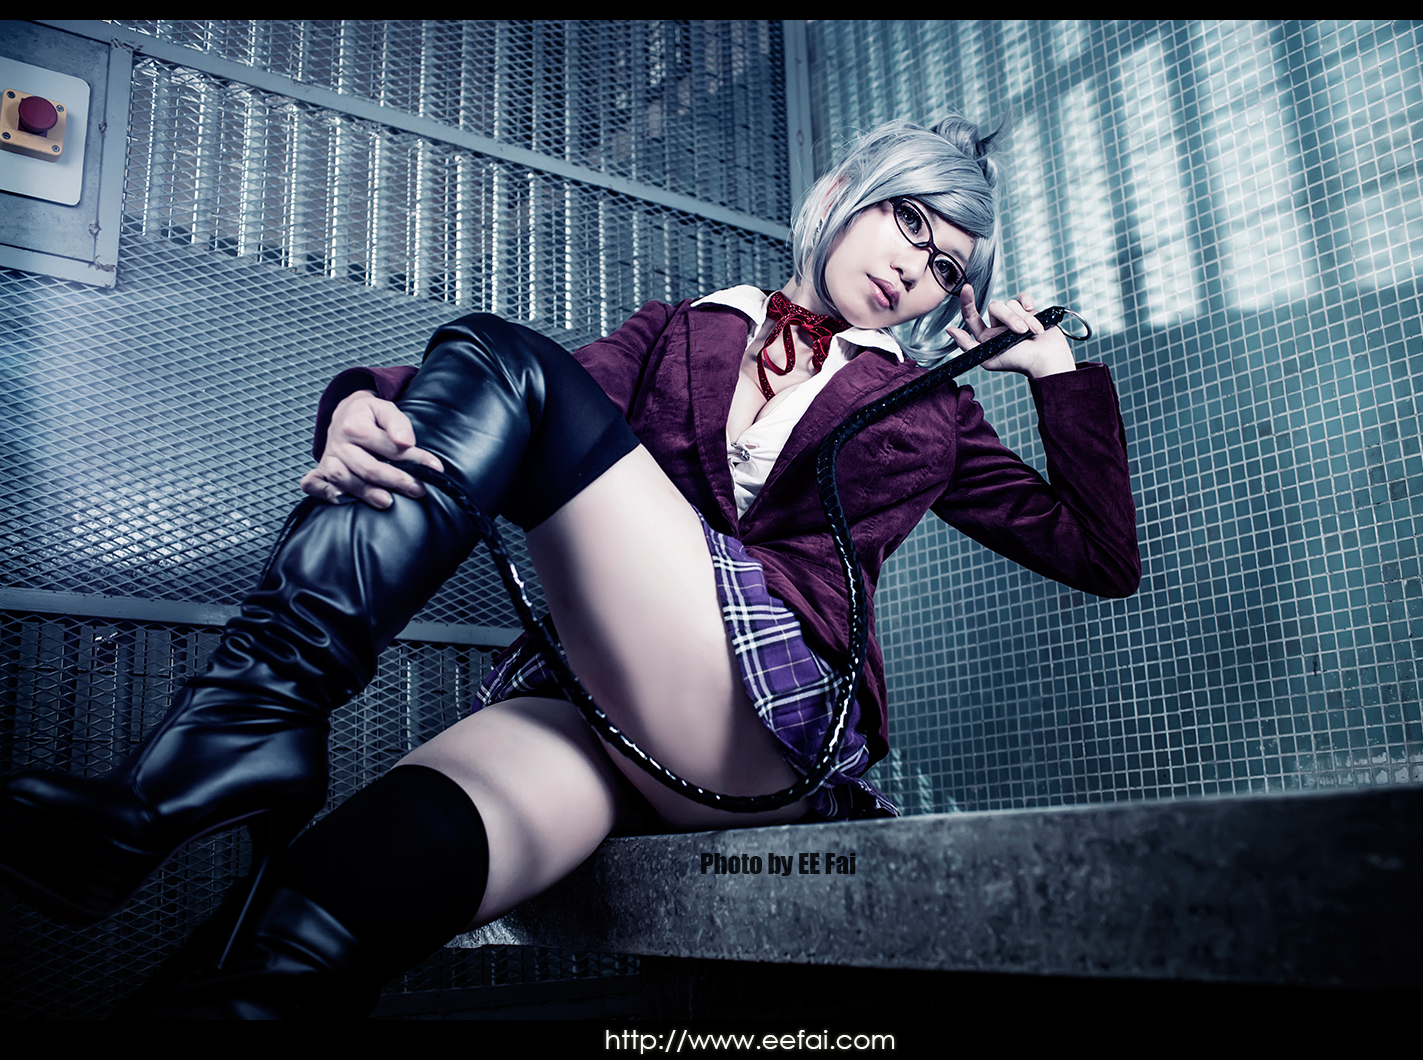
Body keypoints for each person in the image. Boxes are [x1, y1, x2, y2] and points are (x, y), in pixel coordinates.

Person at [0, 117, 1139, 1017]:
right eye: (908, 220)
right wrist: (360, 401)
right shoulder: (683, 329)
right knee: (315, 906)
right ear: (847, 192)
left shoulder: (931, 412)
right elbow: (516, 414)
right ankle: (217, 797)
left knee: (507, 360)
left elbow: (1098, 553)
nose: (912, 267)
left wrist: (1056, 375)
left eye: (944, 265)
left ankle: (229, 740)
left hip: (767, 717)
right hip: (601, 710)